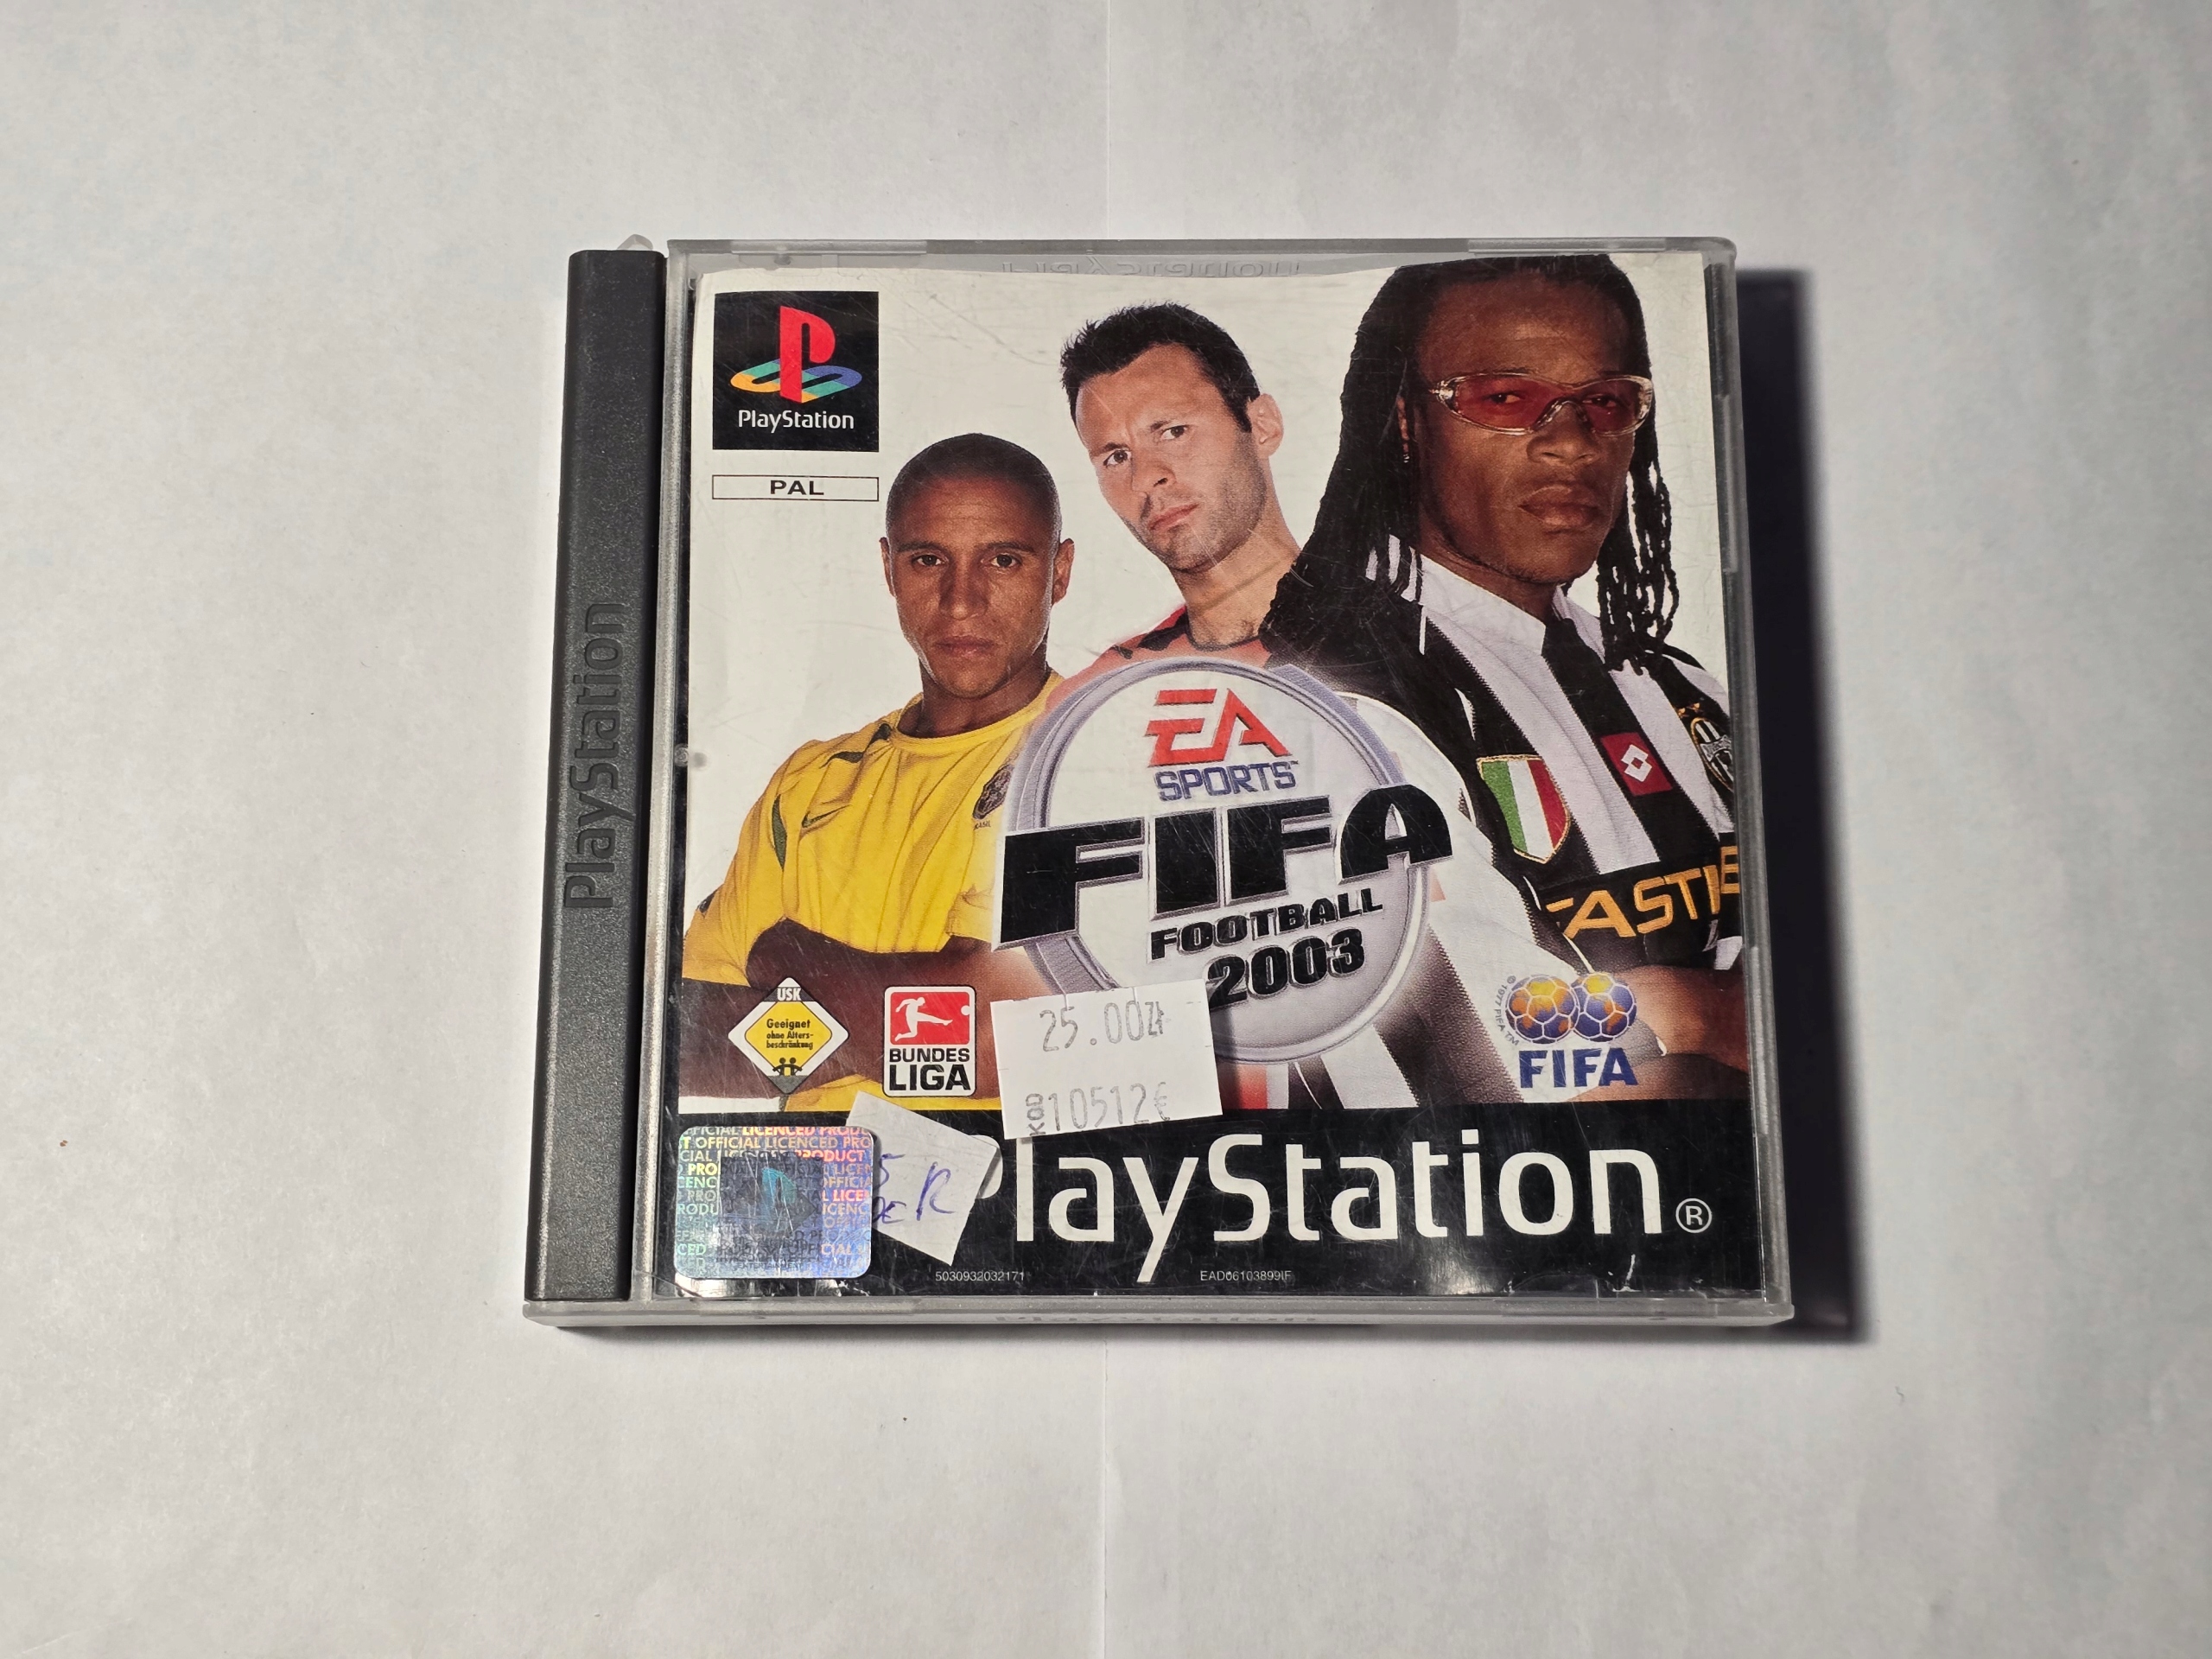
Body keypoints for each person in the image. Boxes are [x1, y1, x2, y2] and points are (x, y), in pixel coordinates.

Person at [1263, 255, 1747, 1093]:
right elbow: (1489, 1066)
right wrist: (1707, 1014)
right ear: (1407, 421)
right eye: (1504, 398)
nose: (1571, 440)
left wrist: (1671, 1016)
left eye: (1606, 402)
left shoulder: (1686, 693)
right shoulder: (1332, 709)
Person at [677, 433, 1069, 1112]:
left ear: (1059, 573)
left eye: (1003, 560)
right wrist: (872, 1018)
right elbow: (681, 1037)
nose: (961, 600)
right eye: (928, 560)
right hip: (810, 1178)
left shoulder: (1089, 761)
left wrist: (791, 963)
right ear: (889, 569)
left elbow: (994, 1040)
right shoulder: (811, 784)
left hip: (1007, 1177)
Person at [1056, 303, 1302, 689]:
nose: (1145, 478)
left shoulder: (1397, 639)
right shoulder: (1103, 699)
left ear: (1262, 426)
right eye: (1117, 457)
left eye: (1174, 432)